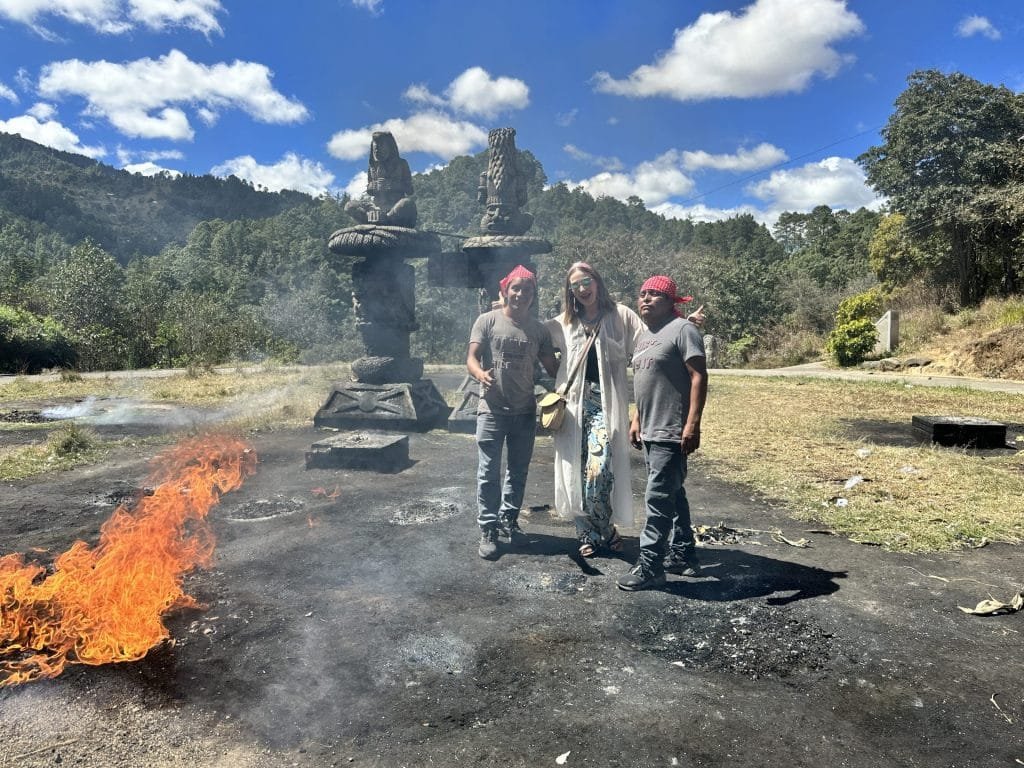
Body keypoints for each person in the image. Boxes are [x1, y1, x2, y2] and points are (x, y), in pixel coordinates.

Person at [546, 262, 644, 558]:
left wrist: (683, 323)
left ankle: (603, 525)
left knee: (597, 471)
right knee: (574, 469)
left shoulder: (621, 316)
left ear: (597, 282)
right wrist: (557, 374)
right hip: (573, 405)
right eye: (575, 285)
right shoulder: (563, 322)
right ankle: (586, 530)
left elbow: (647, 347)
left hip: (605, 403)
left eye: (586, 281)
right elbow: (535, 339)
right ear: (570, 291)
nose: (582, 289)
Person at [618, 275, 708, 591]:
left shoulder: (683, 330)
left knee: (657, 498)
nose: (645, 299)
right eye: (642, 294)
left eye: (655, 294)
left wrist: (692, 424)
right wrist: (636, 417)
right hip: (651, 428)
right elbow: (646, 382)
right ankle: (683, 554)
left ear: (671, 302)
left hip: (672, 428)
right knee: (673, 492)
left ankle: (651, 565)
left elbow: (698, 376)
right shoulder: (646, 337)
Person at [467, 265, 559, 560]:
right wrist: (480, 374)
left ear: (533, 295)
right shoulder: (487, 320)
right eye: (516, 288)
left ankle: (509, 520)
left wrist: (574, 378)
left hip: (524, 412)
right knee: (488, 472)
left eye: (527, 289)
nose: (521, 294)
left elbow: (553, 368)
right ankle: (488, 527)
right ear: (505, 290)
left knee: (518, 472)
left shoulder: (539, 329)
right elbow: (471, 357)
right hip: (492, 410)